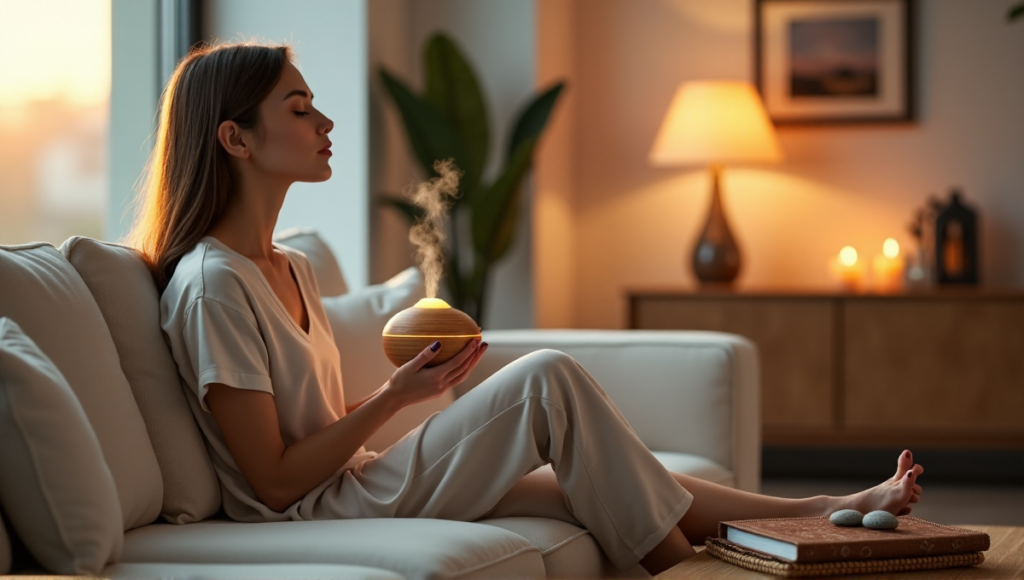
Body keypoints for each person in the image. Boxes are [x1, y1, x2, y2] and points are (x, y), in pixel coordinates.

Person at [128, 41, 924, 575]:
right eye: (300, 109)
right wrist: (397, 398)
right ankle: (685, 571)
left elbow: (314, 425)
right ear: (235, 139)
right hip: (299, 515)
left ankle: (820, 510)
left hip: (349, 479)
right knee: (548, 378)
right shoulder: (215, 284)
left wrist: (406, 397)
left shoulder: (289, 265)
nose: (325, 122)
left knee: (597, 474)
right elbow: (269, 483)